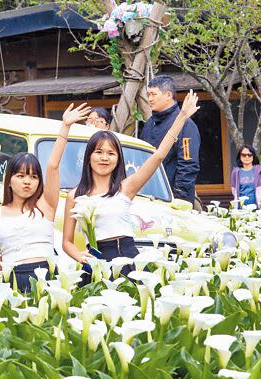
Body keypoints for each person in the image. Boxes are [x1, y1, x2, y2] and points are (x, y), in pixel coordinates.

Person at [63, 91, 200, 278]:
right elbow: (67, 242)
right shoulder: (75, 196)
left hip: (128, 260)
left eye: (111, 153)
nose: (104, 158)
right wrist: (79, 256)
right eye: (99, 152)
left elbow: (159, 155)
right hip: (95, 264)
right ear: (89, 156)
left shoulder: (125, 188)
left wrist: (182, 117)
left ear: (118, 159)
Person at [0, 103, 91, 293]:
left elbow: (52, 166)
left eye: (34, 177)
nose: (27, 181)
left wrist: (65, 128)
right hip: (13, 281)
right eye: (21, 176)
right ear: (8, 180)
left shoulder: (45, 206)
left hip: (47, 276)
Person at [139, 75, 201, 204]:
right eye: (148, 94)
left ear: (168, 95)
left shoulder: (186, 124)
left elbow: (188, 166)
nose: (149, 99)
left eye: (153, 94)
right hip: (147, 195)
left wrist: (179, 199)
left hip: (172, 198)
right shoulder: (149, 123)